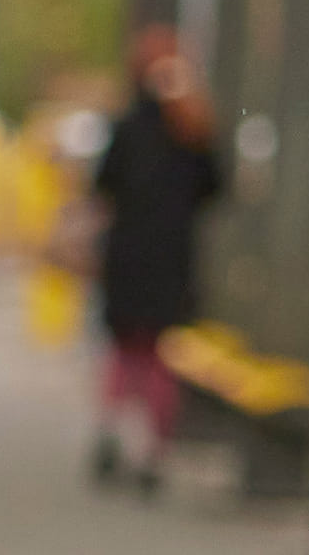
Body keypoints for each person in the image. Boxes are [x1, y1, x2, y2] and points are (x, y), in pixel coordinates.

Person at [89, 28, 219, 494]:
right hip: (172, 261)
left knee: (125, 350)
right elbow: (214, 189)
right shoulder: (193, 129)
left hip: (126, 257)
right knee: (160, 353)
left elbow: (102, 185)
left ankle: (113, 432)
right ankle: (151, 450)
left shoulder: (127, 126)